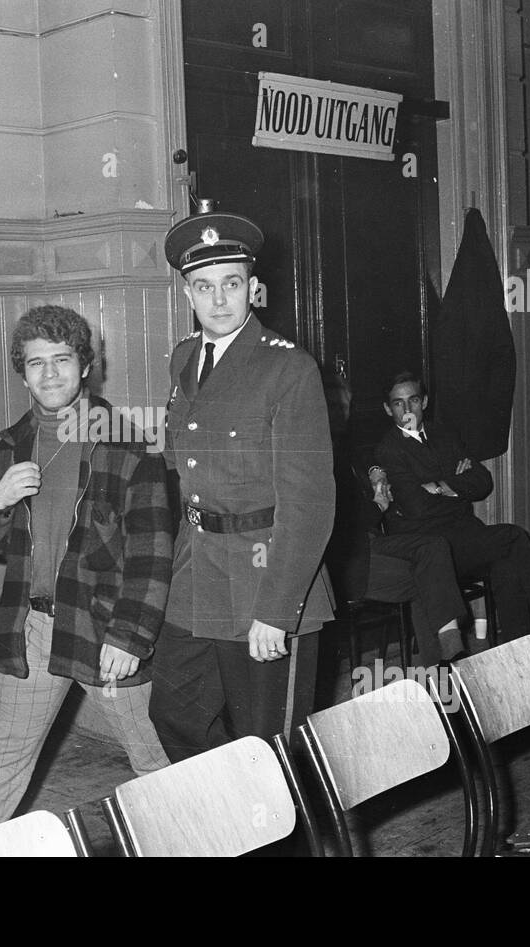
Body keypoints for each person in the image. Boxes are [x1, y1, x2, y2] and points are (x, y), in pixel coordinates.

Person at [0, 305, 172, 838]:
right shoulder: (9, 448)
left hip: (105, 631)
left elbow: (153, 552)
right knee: (0, 768)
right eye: (35, 363)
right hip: (33, 630)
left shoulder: (128, 445)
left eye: (62, 360)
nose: (49, 374)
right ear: (22, 372)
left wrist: (131, 637)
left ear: (86, 365)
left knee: (160, 768)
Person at [147, 203, 336, 762]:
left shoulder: (289, 368)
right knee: (175, 713)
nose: (219, 299)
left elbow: (310, 505)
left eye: (232, 283)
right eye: (203, 287)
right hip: (197, 578)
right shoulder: (184, 358)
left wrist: (278, 610)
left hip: (266, 578)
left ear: (253, 287)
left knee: (270, 749)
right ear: (187, 294)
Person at [374, 371, 530, 640]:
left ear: (426, 402)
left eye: (414, 400)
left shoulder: (443, 434)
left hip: (467, 537)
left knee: (508, 567)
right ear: (388, 409)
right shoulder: (388, 450)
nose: (408, 410)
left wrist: (440, 486)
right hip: (433, 549)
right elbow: (416, 507)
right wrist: (458, 485)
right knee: (513, 536)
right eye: (399, 403)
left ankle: (520, 646)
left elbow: (482, 481)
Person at [334, 447, 472, 666]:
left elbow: (367, 453)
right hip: (349, 561)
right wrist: (378, 505)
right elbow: (347, 520)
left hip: (369, 544)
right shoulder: (319, 458)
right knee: (427, 575)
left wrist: (375, 472)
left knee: (434, 547)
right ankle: (448, 660)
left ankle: (446, 661)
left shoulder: (346, 454)